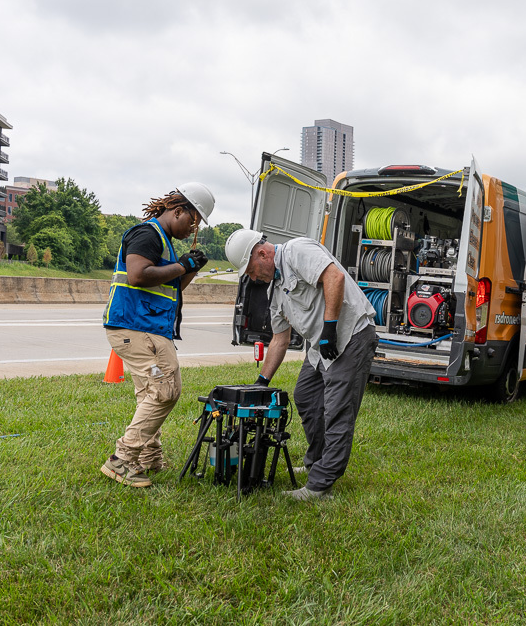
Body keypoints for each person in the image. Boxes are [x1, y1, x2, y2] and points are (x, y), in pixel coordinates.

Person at [225, 228, 378, 501]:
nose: (252, 277)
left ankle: (320, 486)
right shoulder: (276, 289)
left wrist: (330, 327)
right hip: (322, 346)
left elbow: (335, 277)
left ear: (262, 253)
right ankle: (316, 461)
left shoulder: (296, 251)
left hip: (349, 336)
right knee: (305, 396)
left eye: (250, 270)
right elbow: (279, 339)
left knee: (337, 411)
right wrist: (262, 382)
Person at [100, 182, 215, 488]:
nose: (193, 229)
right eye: (192, 221)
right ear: (178, 211)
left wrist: (188, 269)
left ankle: (149, 458)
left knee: (149, 391)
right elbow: (138, 276)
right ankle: (121, 460)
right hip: (136, 329)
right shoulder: (147, 234)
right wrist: (180, 265)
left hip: (147, 328)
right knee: (165, 389)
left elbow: (168, 287)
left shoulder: (163, 241)